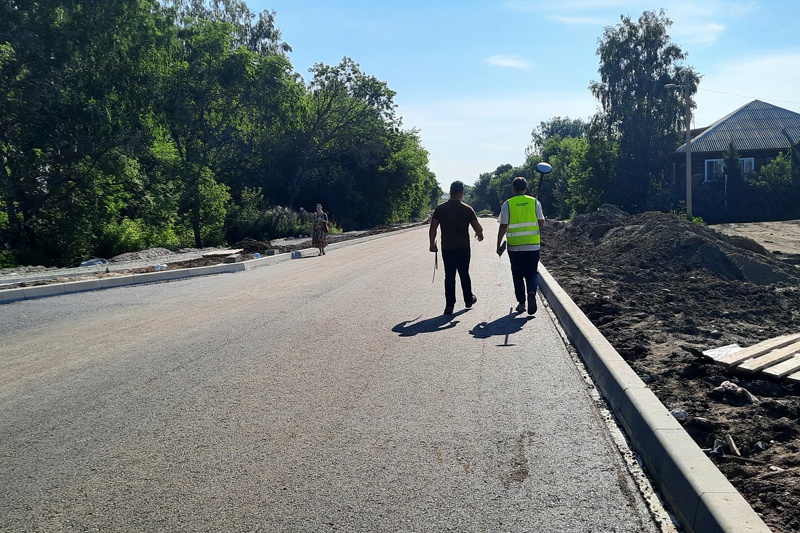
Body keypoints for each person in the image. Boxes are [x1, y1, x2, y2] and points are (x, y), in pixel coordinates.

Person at [429, 180, 484, 315]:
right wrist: (479, 233)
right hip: (463, 247)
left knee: (449, 276)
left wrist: (432, 244)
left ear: (450, 192)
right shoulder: (467, 209)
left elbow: (433, 228)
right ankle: (468, 300)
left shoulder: (440, 209)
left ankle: (449, 305)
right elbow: (478, 228)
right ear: (461, 193)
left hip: (448, 248)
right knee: (464, 273)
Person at [496, 176, 545, 315]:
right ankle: (531, 292)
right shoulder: (534, 202)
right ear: (526, 188)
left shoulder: (508, 204)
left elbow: (503, 226)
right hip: (533, 245)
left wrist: (498, 244)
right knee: (532, 272)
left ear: (513, 188)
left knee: (517, 274)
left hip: (515, 246)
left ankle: (522, 303)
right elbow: (541, 223)